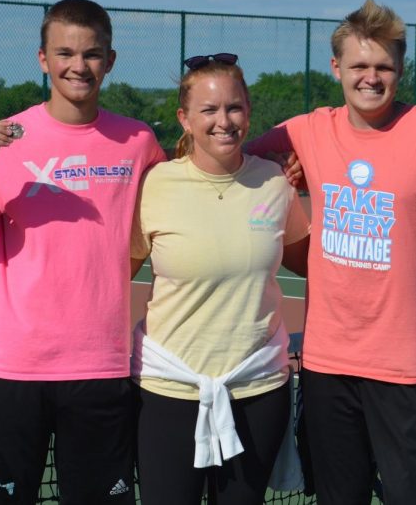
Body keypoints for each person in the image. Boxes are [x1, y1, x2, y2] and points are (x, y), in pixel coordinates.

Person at [246, 0, 416, 505]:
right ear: (336, 67)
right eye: (359, 65)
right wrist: (283, 170)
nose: (371, 78)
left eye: (384, 66)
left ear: (402, 69)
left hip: (408, 369)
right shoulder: (306, 130)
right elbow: (233, 155)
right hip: (326, 366)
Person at [0, 0, 165, 504]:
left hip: (101, 368)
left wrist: (104, 273)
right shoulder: (6, 140)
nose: (78, 66)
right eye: (65, 53)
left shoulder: (139, 141)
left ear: (111, 60)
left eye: (92, 54)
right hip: (14, 368)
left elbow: (159, 221)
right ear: (43, 59)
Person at [129, 53, 310, 505]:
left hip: (258, 389)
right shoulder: (154, 185)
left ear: (248, 112)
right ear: (184, 119)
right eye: (209, 110)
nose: (224, 121)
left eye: (234, 108)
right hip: (167, 390)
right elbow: (112, 273)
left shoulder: (275, 182)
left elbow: (309, 262)